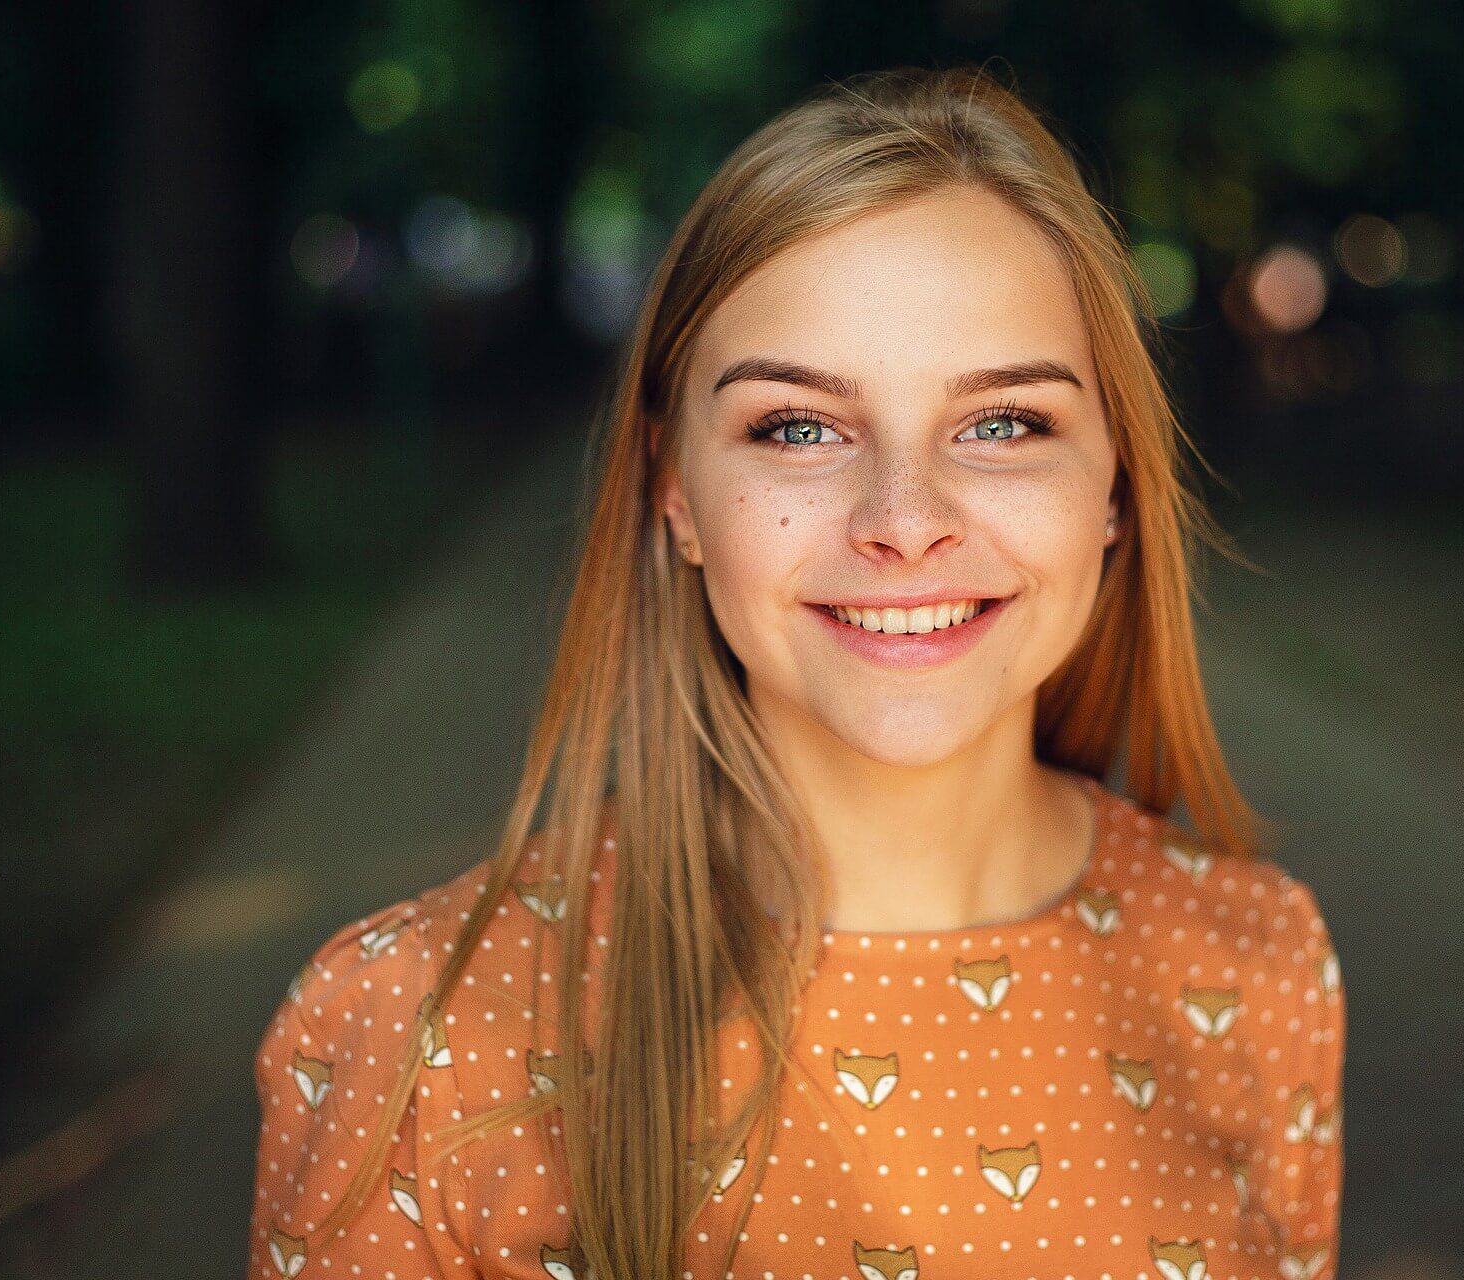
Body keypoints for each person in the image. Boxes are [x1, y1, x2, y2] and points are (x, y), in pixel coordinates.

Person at [247, 64, 1344, 1280]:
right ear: (676, 492)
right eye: (798, 426)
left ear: (1115, 489)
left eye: (1002, 423)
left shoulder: (1259, 961)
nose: (903, 518)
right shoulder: (413, 1027)